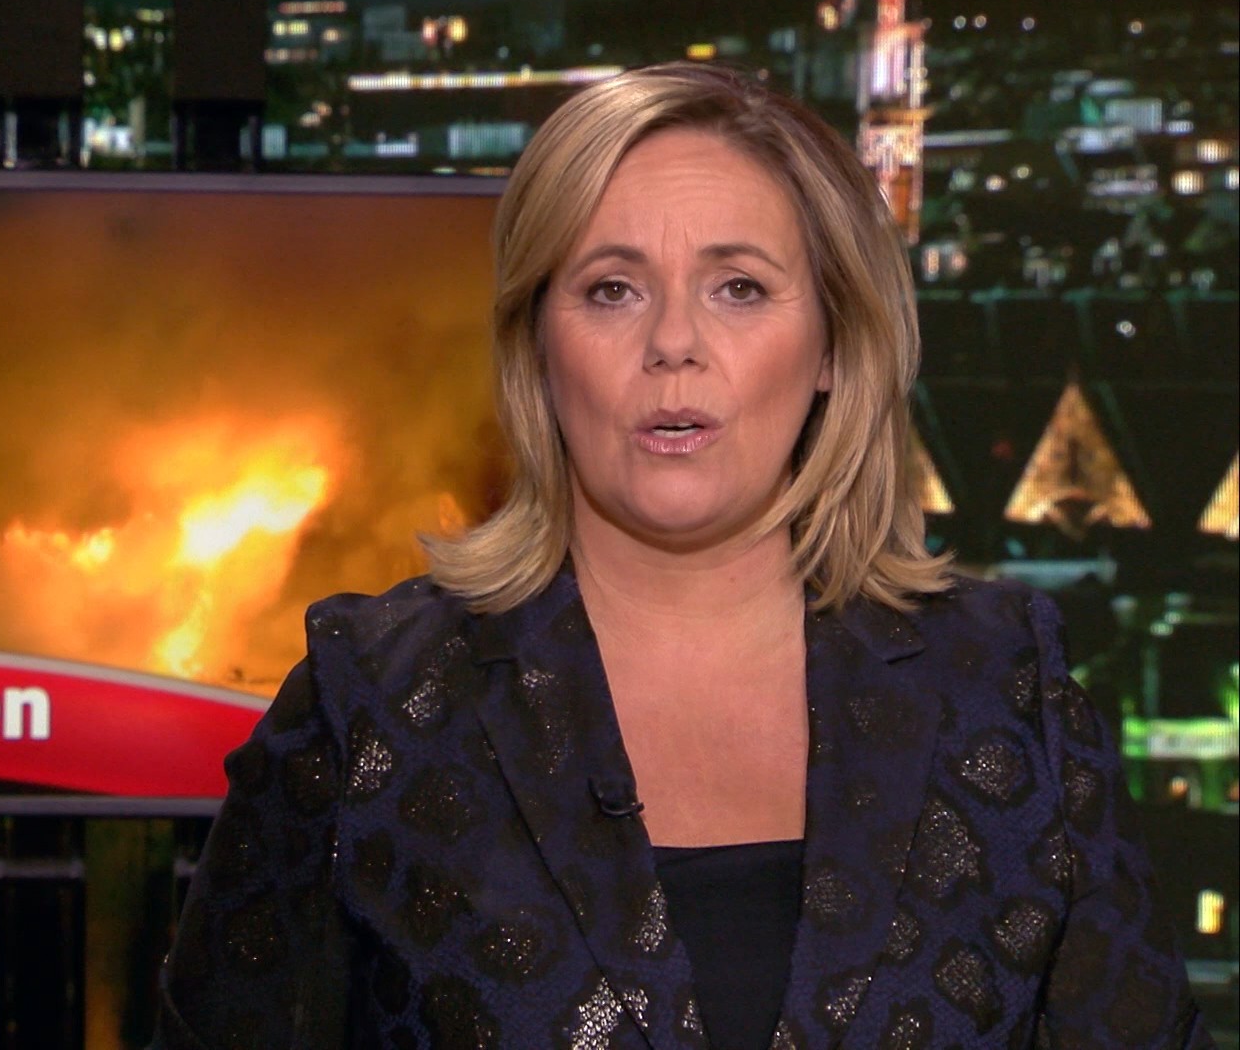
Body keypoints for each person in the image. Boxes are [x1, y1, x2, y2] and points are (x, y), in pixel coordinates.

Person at [152, 62, 1210, 1050]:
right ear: (537, 344)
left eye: (737, 287)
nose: (672, 343)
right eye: (611, 289)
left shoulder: (1004, 690)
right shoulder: (370, 705)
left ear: (833, 343)